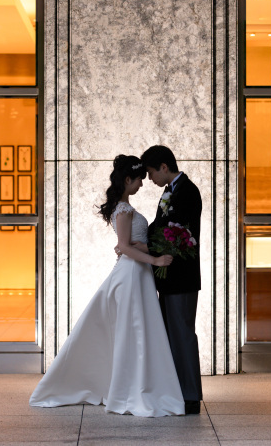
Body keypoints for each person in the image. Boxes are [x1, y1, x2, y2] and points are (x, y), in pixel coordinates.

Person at [29, 155, 185, 417]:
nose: (142, 185)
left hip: (138, 274)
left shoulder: (124, 207)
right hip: (132, 275)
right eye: (139, 180)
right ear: (127, 180)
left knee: (139, 332)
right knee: (134, 332)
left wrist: (145, 251)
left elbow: (127, 245)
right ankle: (132, 390)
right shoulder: (123, 210)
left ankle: (138, 386)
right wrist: (155, 259)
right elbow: (123, 247)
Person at [140, 145, 204, 415]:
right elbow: (160, 225)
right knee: (172, 336)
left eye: (152, 172)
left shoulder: (188, 191)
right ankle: (177, 391)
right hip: (167, 277)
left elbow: (176, 232)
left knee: (183, 336)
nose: (150, 179)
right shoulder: (169, 191)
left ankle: (191, 396)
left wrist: (145, 247)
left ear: (164, 167)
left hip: (181, 277)